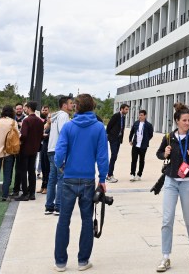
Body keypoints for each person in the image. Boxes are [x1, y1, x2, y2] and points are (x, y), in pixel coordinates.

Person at [52, 93, 109, 273]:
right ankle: (82, 261)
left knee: (63, 220)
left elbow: (59, 153)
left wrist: (61, 167)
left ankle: (60, 262)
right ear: (92, 107)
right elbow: (102, 156)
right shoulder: (99, 127)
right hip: (87, 179)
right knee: (86, 220)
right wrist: (102, 179)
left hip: (69, 178)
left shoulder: (69, 127)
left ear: (76, 107)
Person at [156, 101, 189, 272]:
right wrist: (165, 153)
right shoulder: (169, 137)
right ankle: (165, 256)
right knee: (167, 219)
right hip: (171, 181)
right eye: (184, 120)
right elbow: (159, 153)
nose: (187, 123)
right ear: (177, 121)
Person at [44, 96, 74, 215]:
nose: (73, 106)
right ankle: (58, 206)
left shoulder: (54, 116)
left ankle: (49, 206)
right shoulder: (64, 116)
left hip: (51, 149)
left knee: (52, 179)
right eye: (71, 103)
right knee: (61, 178)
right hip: (59, 150)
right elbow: (64, 132)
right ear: (64, 105)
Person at [0, 106, 19, 202]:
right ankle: (5, 195)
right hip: (8, 151)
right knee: (7, 174)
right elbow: (17, 135)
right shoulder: (13, 123)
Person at [17, 101, 45, 201]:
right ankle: (32, 193)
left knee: (23, 171)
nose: (24, 109)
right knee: (32, 171)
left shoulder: (26, 120)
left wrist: (20, 139)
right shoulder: (39, 121)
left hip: (25, 148)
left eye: (25, 108)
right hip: (35, 148)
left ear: (28, 108)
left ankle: (25, 193)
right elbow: (41, 135)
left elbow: (24, 135)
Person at [105, 103, 129, 183]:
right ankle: (109, 175)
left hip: (118, 139)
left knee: (114, 157)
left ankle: (110, 174)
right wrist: (109, 136)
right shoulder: (116, 116)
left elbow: (122, 128)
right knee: (114, 155)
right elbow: (109, 126)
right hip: (113, 139)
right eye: (126, 109)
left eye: (127, 109)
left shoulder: (123, 117)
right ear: (121, 109)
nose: (127, 111)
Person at [129, 109, 153, 182]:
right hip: (135, 145)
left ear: (145, 116)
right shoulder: (136, 123)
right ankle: (132, 174)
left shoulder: (148, 125)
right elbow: (132, 132)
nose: (140, 116)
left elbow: (150, 135)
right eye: (139, 115)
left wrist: (146, 140)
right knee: (134, 160)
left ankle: (139, 174)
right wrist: (130, 140)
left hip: (143, 146)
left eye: (141, 115)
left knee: (141, 160)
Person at [39, 104, 51, 194]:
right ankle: (43, 185)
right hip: (43, 146)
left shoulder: (52, 125)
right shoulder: (43, 123)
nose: (44, 112)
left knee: (47, 168)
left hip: (48, 147)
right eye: (43, 110)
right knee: (43, 166)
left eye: (46, 110)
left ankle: (47, 187)